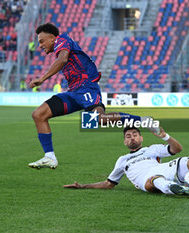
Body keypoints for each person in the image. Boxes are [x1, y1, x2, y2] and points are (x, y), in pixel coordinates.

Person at [28, 23, 158, 170]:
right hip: (73, 92)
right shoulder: (59, 47)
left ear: (52, 38)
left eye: (41, 41)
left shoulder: (62, 40)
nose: (40, 45)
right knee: (38, 114)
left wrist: (43, 78)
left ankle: (144, 121)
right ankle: (50, 157)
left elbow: (63, 59)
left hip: (86, 87)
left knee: (100, 119)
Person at [64, 126, 189, 196]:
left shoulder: (152, 149)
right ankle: (179, 189)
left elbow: (177, 149)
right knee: (155, 181)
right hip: (146, 180)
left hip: (166, 168)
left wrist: (165, 136)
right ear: (124, 142)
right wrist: (83, 186)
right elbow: (109, 184)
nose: (131, 138)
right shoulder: (122, 160)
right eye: (128, 136)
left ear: (141, 138)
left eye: (134, 135)